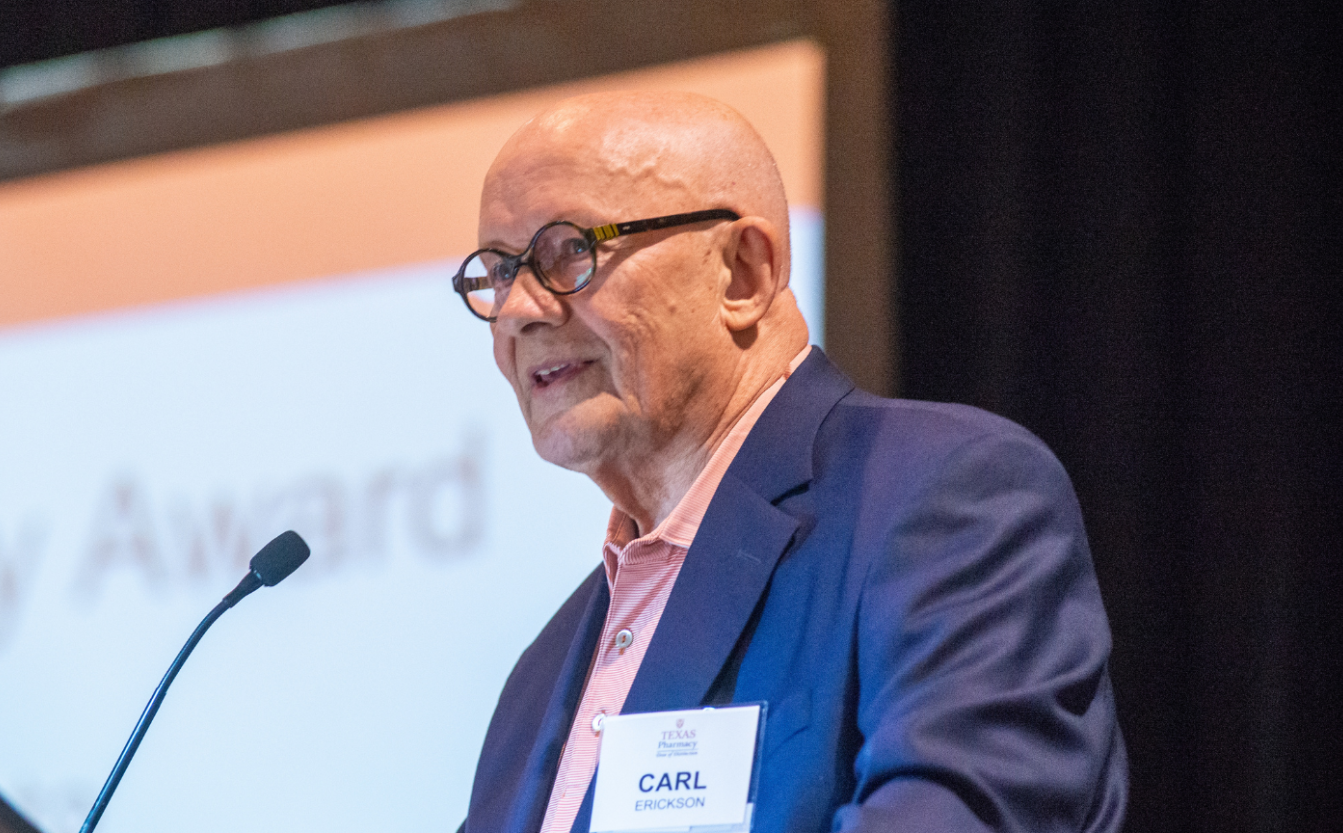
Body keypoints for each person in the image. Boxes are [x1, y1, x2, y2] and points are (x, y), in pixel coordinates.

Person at [452, 91, 1126, 833]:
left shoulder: (945, 498)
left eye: (568, 251)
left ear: (743, 272)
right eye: (497, 270)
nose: (517, 308)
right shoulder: (537, 681)